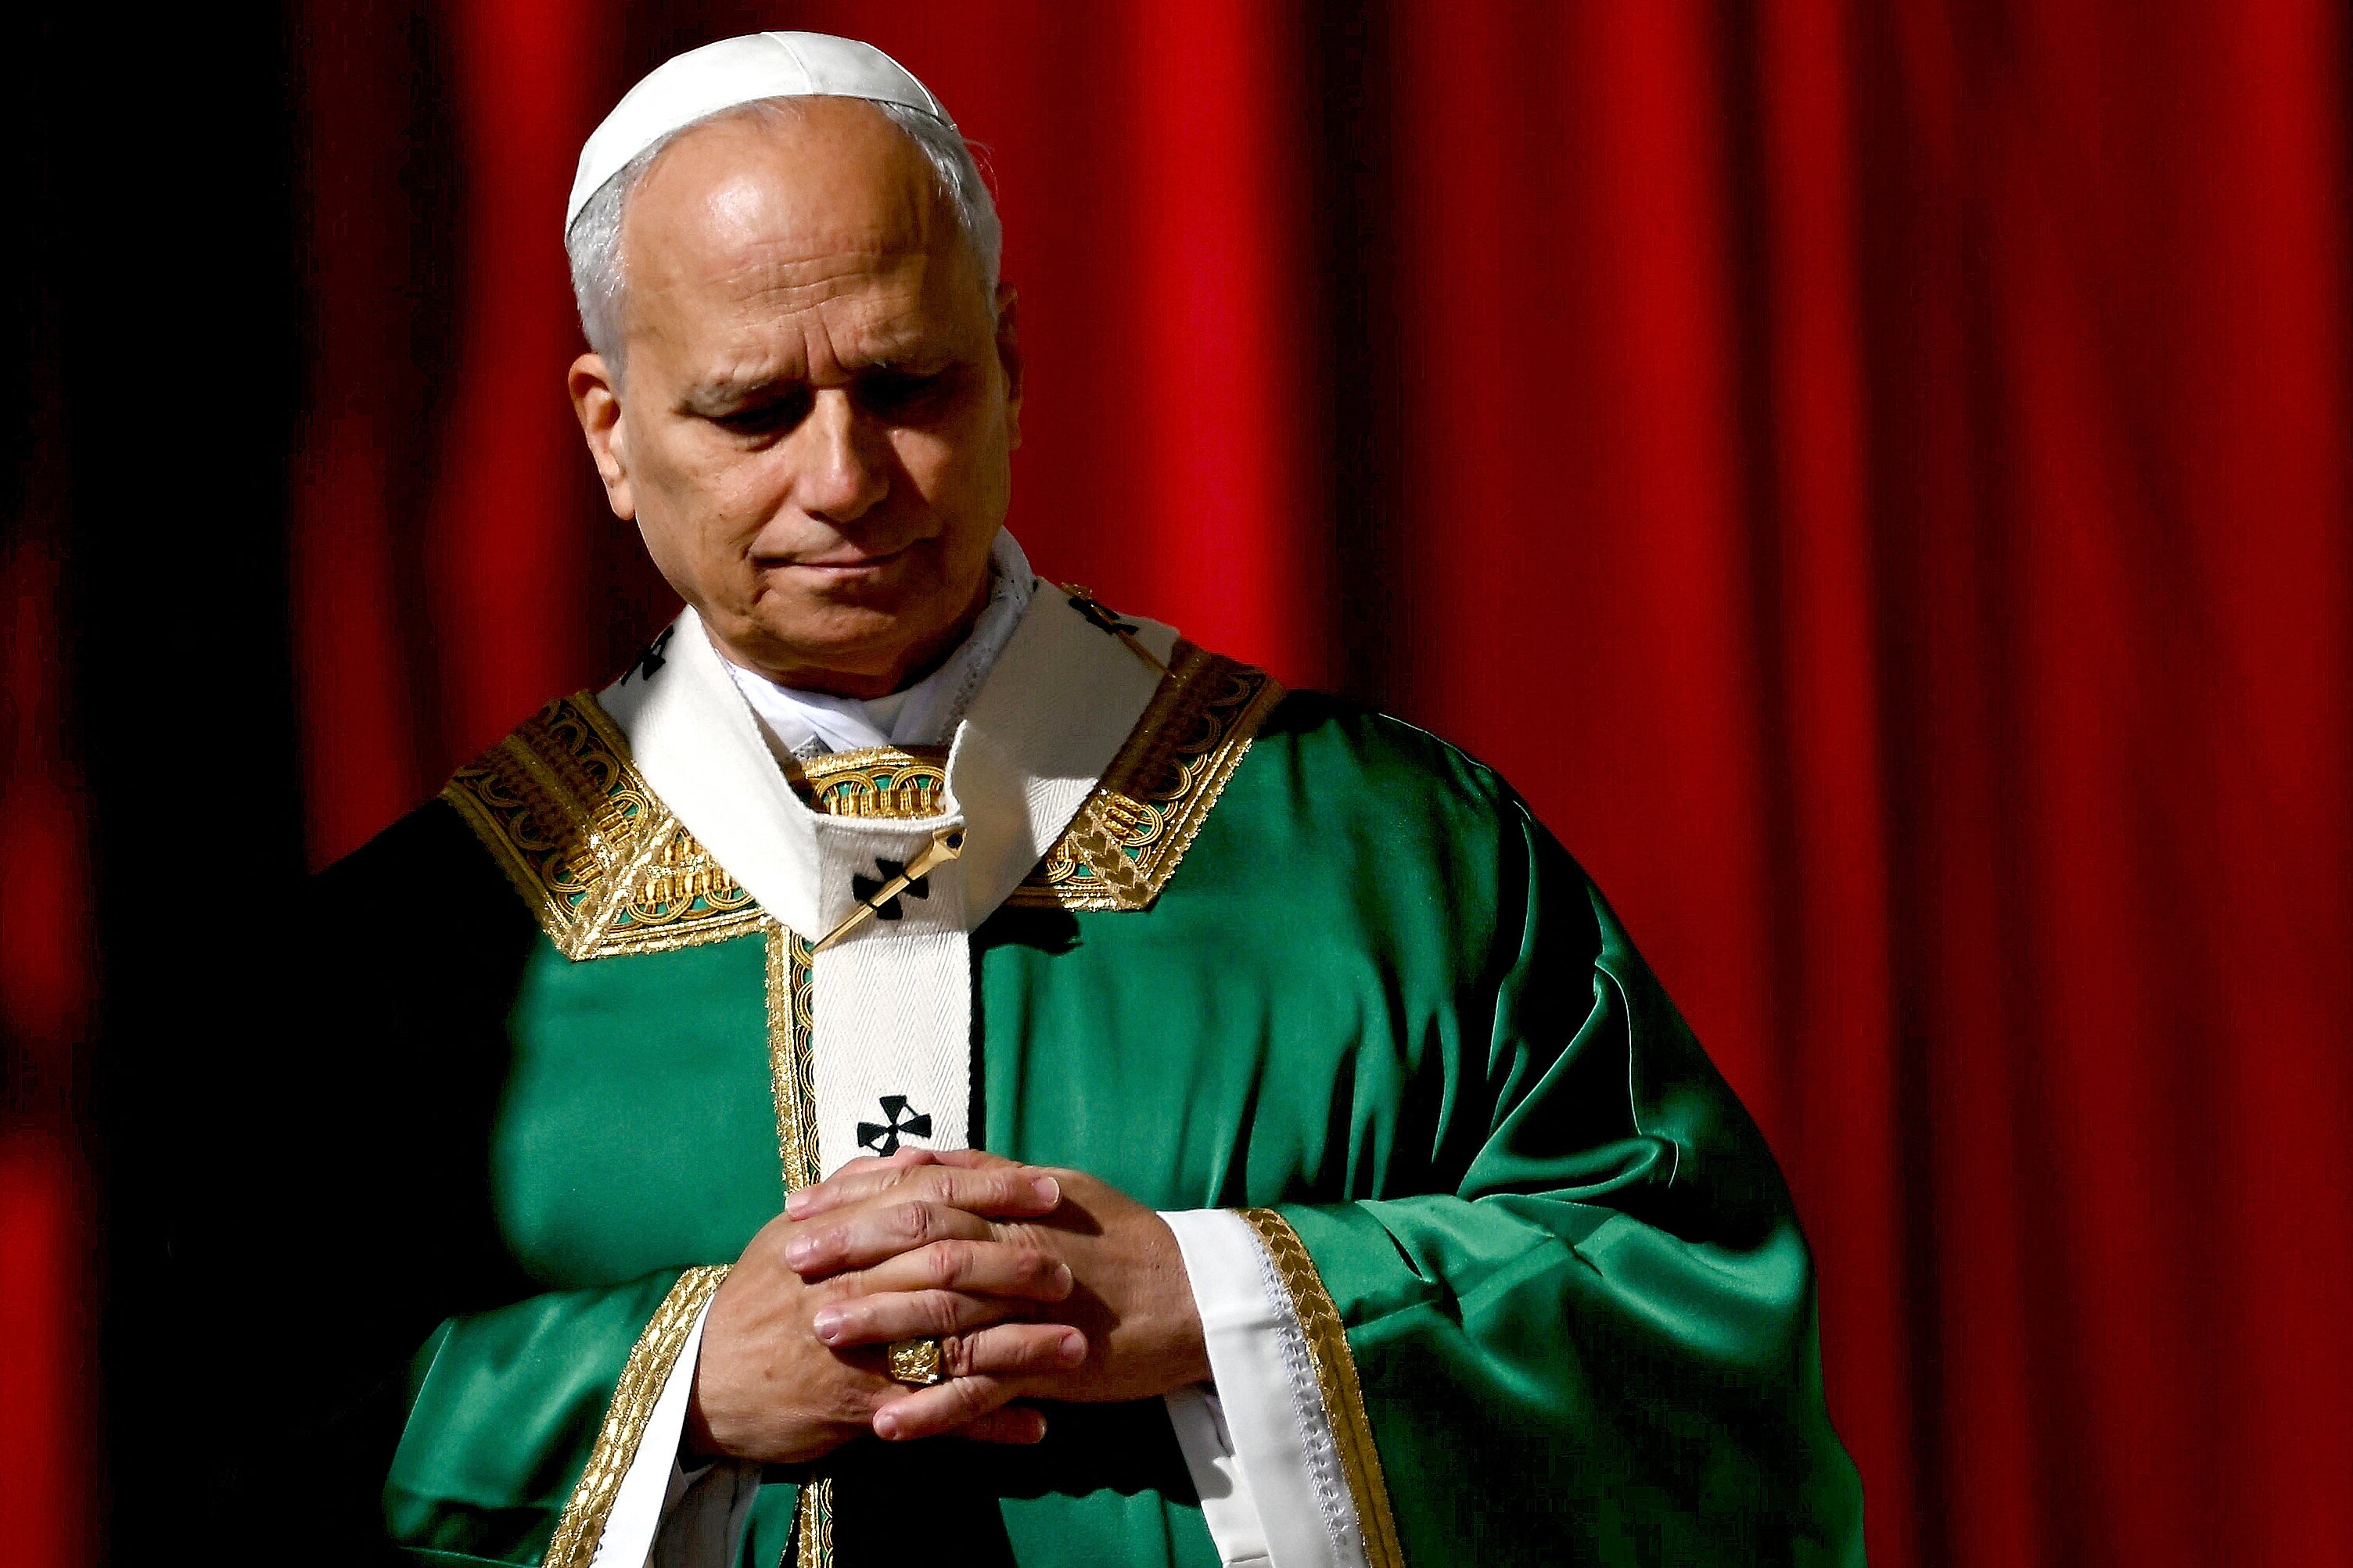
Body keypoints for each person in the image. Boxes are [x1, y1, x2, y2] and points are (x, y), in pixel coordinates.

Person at [192, 31, 1863, 1568]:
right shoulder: (429, 953)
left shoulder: (1388, 862)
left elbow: (1698, 1337)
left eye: (907, 386)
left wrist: (1226, 1306)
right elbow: (231, 1441)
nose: (843, 481)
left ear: (1007, 358)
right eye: (755, 410)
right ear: (612, 431)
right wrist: (682, 1383)